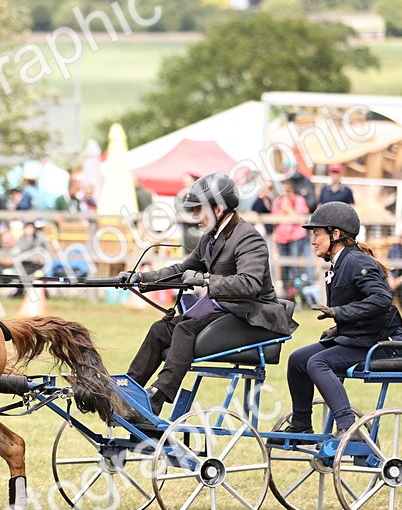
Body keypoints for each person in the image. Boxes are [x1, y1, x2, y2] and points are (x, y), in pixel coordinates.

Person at [118, 172, 296, 415]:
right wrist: (141, 278)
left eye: (198, 209)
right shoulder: (210, 238)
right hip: (223, 310)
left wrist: (206, 279)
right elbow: (182, 270)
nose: (194, 216)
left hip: (252, 316)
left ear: (218, 209)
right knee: (160, 329)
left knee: (185, 327)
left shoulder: (248, 238)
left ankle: (158, 395)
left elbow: (250, 283)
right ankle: (129, 389)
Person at [276, 202, 402, 439]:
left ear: (335, 234)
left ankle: (348, 428)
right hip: (359, 338)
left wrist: (340, 313)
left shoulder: (357, 261)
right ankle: (301, 423)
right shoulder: (339, 265)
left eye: (317, 234)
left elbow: (381, 300)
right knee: (297, 360)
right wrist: (338, 329)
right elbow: (361, 307)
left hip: (382, 344)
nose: (313, 240)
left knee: (317, 363)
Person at [271, 178, 310, 293]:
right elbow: (273, 218)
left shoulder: (299, 200)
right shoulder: (278, 201)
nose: (285, 193)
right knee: (283, 269)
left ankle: (295, 293)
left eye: (288, 190)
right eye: (283, 190)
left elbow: (298, 219)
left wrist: (287, 209)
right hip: (281, 238)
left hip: (295, 238)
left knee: (295, 267)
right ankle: (285, 292)